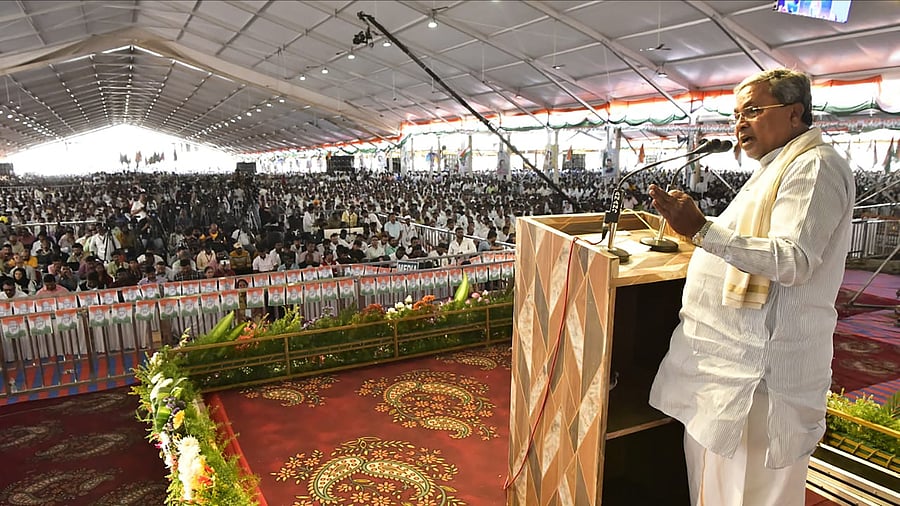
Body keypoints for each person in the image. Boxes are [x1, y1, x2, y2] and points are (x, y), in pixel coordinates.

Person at [647, 69, 855, 506]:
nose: (739, 124)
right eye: (736, 115)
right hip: (732, 373)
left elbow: (792, 259)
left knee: (744, 494)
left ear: (794, 113)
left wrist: (703, 230)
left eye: (753, 111)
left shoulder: (814, 166)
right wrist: (699, 232)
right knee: (716, 491)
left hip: (760, 381)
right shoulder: (778, 166)